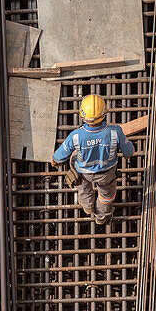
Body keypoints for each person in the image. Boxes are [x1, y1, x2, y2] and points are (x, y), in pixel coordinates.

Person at [51, 93, 134, 226]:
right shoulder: (115, 132)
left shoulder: (76, 136)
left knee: (84, 190)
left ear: (82, 115)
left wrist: (55, 161)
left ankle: (88, 207)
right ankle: (101, 216)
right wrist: (127, 155)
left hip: (84, 173)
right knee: (107, 197)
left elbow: (61, 154)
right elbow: (129, 151)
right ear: (104, 113)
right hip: (107, 174)